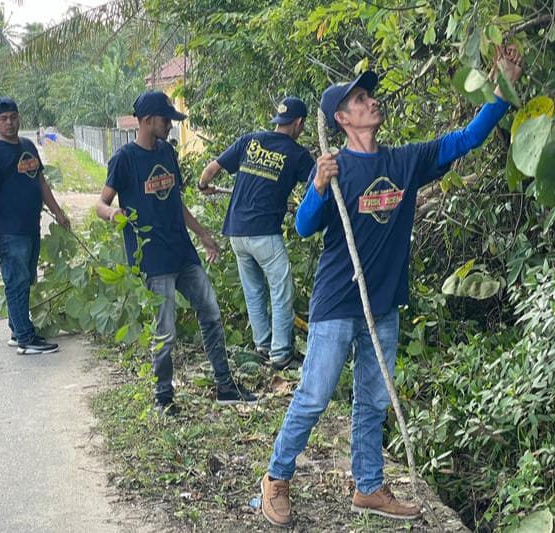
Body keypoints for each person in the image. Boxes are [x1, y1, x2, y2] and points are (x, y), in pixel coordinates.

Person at [260, 46, 523, 527]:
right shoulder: (334, 169)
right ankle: (276, 478)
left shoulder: (406, 162)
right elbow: (302, 227)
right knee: (315, 395)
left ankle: (368, 487)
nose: (372, 102)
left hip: (383, 304)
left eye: (370, 96)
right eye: (361, 99)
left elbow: (466, 139)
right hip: (338, 301)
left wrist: (501, 87)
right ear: (342, 117)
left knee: (372, 399)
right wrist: (318, 185)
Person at [96, 91, 257, 415]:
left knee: (210, 312)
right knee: (165, 331)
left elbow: (175, 202)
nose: (170, 125)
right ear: (146, 121)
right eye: (165, 119)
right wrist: (114, 215)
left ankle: (225, 386)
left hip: (182, 251)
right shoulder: (124, 159)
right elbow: (102, 203)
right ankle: (163, 397)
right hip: (153, 259)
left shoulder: (168, 153)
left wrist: (203, 236)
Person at [198, 97, 315, 370]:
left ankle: (262, 344)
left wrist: (204, 185)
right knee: (281, 288)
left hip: (237, 232)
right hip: (264, 233)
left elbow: (211, 169)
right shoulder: (298, 155)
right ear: (298, 123)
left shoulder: (249, 141)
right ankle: (280, 353)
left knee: (253, 289)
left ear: (278, 120)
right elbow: (317, 186)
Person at [0, 97, 71, 355]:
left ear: (19, 118)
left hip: (31, 227)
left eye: (13, 117)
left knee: (25, 280)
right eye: (3, 119)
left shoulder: (28, 147)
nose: (9, 123)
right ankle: (25, 339)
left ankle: (16, 328)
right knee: (16, 282)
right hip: (10, 231)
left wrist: (58, 212)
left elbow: (41, 183)